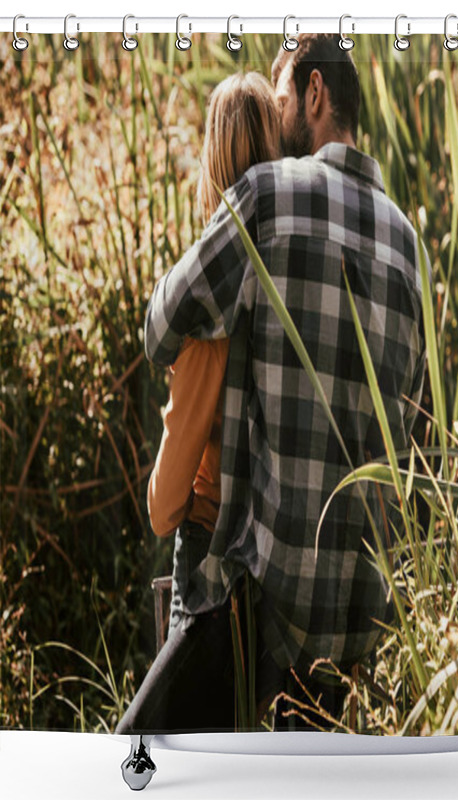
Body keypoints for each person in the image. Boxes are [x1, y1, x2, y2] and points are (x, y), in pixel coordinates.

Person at [122, 33, 429, 734]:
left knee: (150, 756)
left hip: (261, 605)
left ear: (315, 93)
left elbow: (161, 324)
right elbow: (412, 437)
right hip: (355, 622)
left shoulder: (268, 197)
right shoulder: (410, 248)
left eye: (284, 95)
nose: (277, 113)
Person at [116, 72, 283, 734]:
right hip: (277, 574)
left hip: (209, 571)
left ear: (212, 162)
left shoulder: (203, 318)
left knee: (143, 751)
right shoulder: (291, 290)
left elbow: (163, 509)